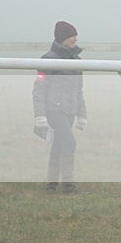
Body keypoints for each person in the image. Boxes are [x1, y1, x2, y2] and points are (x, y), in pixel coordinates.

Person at [33, 21, 87, 193]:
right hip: (54, 110)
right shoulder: (48, 60)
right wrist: (40, 115)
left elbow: (79, 90)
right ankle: (69, 186)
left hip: (70, 110)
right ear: (62, 38)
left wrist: (82, 114)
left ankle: (51, 186)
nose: (75, 38)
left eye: (75, 35)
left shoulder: (77, 61)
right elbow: (39, 89)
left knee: (58, 145)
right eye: (71, 35)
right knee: (69, 143)